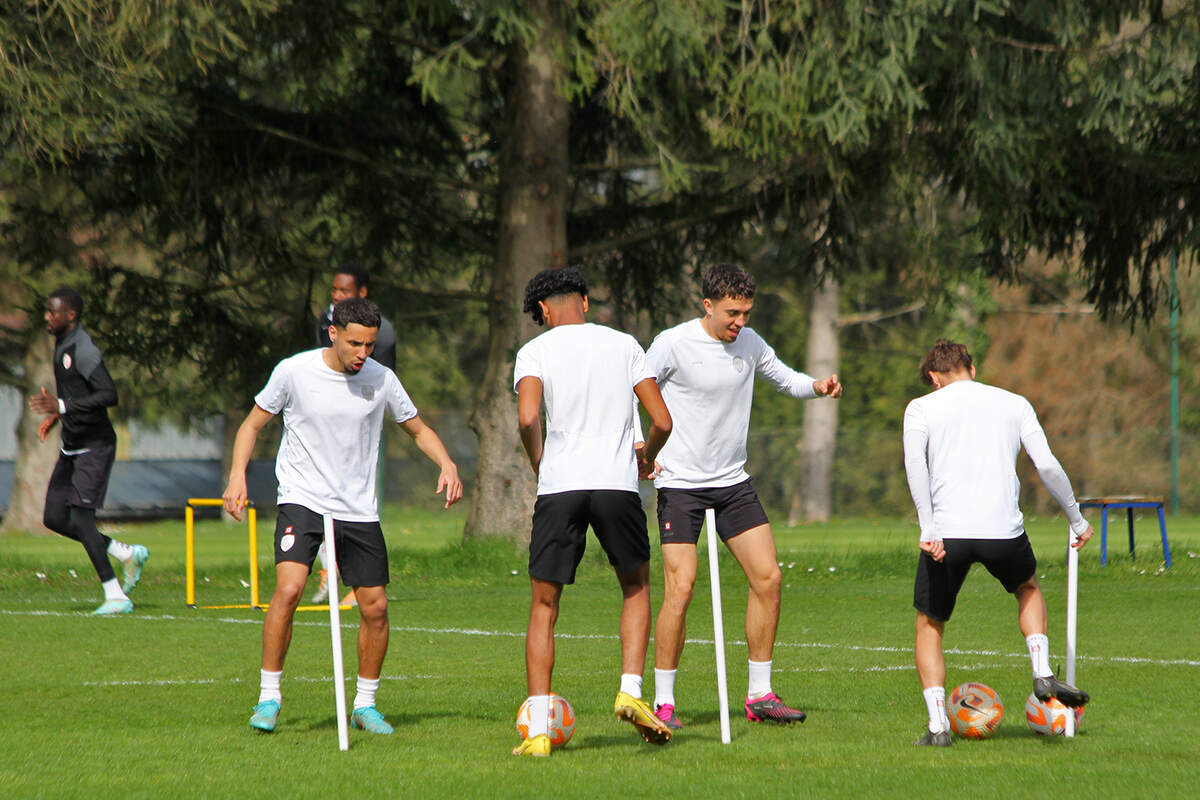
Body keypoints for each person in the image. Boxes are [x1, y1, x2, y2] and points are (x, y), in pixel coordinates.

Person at [222, 297, 462, 735]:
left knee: (376, 607)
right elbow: (252, 424)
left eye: (369, 345)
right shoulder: (294, 372)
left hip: (357, 508)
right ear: (333, 333)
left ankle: (365, 705)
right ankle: (268, 697)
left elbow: (418, 428)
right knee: (290, 589)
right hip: (302, 498)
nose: (362, 354)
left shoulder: (382, 379)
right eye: (354, 343)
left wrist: (446, 463)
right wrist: (237, 476)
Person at [644, 263, 842, 730]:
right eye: (732, 313)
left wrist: (817, 386)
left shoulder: (750, 344)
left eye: (747, 313)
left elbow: (786, 379)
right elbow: (639, 391)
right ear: (708, 305)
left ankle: (760, 695)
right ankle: (663, 702)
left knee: (768, 578)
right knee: (681, 587)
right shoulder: (672, 343)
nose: (740, 322)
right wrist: (641, 445)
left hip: (733, 483)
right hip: (679, 484)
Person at [512, 267, 674, 757]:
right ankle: (630, 689)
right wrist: (645, 456)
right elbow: (662, 420)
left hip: (560, 485)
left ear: (542, 310)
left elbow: (526, 415)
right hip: (616, 484)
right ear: (584, 299)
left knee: (544, 606)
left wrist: (540, 461)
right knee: (637, 587)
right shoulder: (624, 344)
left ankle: (539, 729)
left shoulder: (534, 351)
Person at [903, 339, 1093, 747]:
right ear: (971, 368)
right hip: (1003, 532)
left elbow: (914, 466)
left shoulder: (921, 407)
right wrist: (1076, 518)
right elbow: (1046, 464)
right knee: (1027, 588)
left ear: (934, 378)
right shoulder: (1015, 403)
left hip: (948, 534)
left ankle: (938, 727)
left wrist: (927, 528)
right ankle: (1041, 670)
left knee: (930, 622)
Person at [28, 287, 149, 615]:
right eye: (46, 311)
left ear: (71, 315)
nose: (47, 317)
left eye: (53, 312)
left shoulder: (83, 348)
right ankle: (125, 553)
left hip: (95, 447)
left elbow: (109, 394)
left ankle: (116, 596)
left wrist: (63, 404)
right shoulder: (61, 344)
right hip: (72, 447)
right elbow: (75, 393)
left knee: (81, 518)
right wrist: (57, 415)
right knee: (54, 517)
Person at [311, 261, 395, 605]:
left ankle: (353, 581)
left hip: (362, 422)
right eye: (334, 289)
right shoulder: (326, 322)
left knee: (354, 501)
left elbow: (378, 382)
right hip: (328, 426)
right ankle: (329, 569)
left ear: (361, 293)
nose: (337, 296)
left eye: (344, 291)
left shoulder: (381, 333)